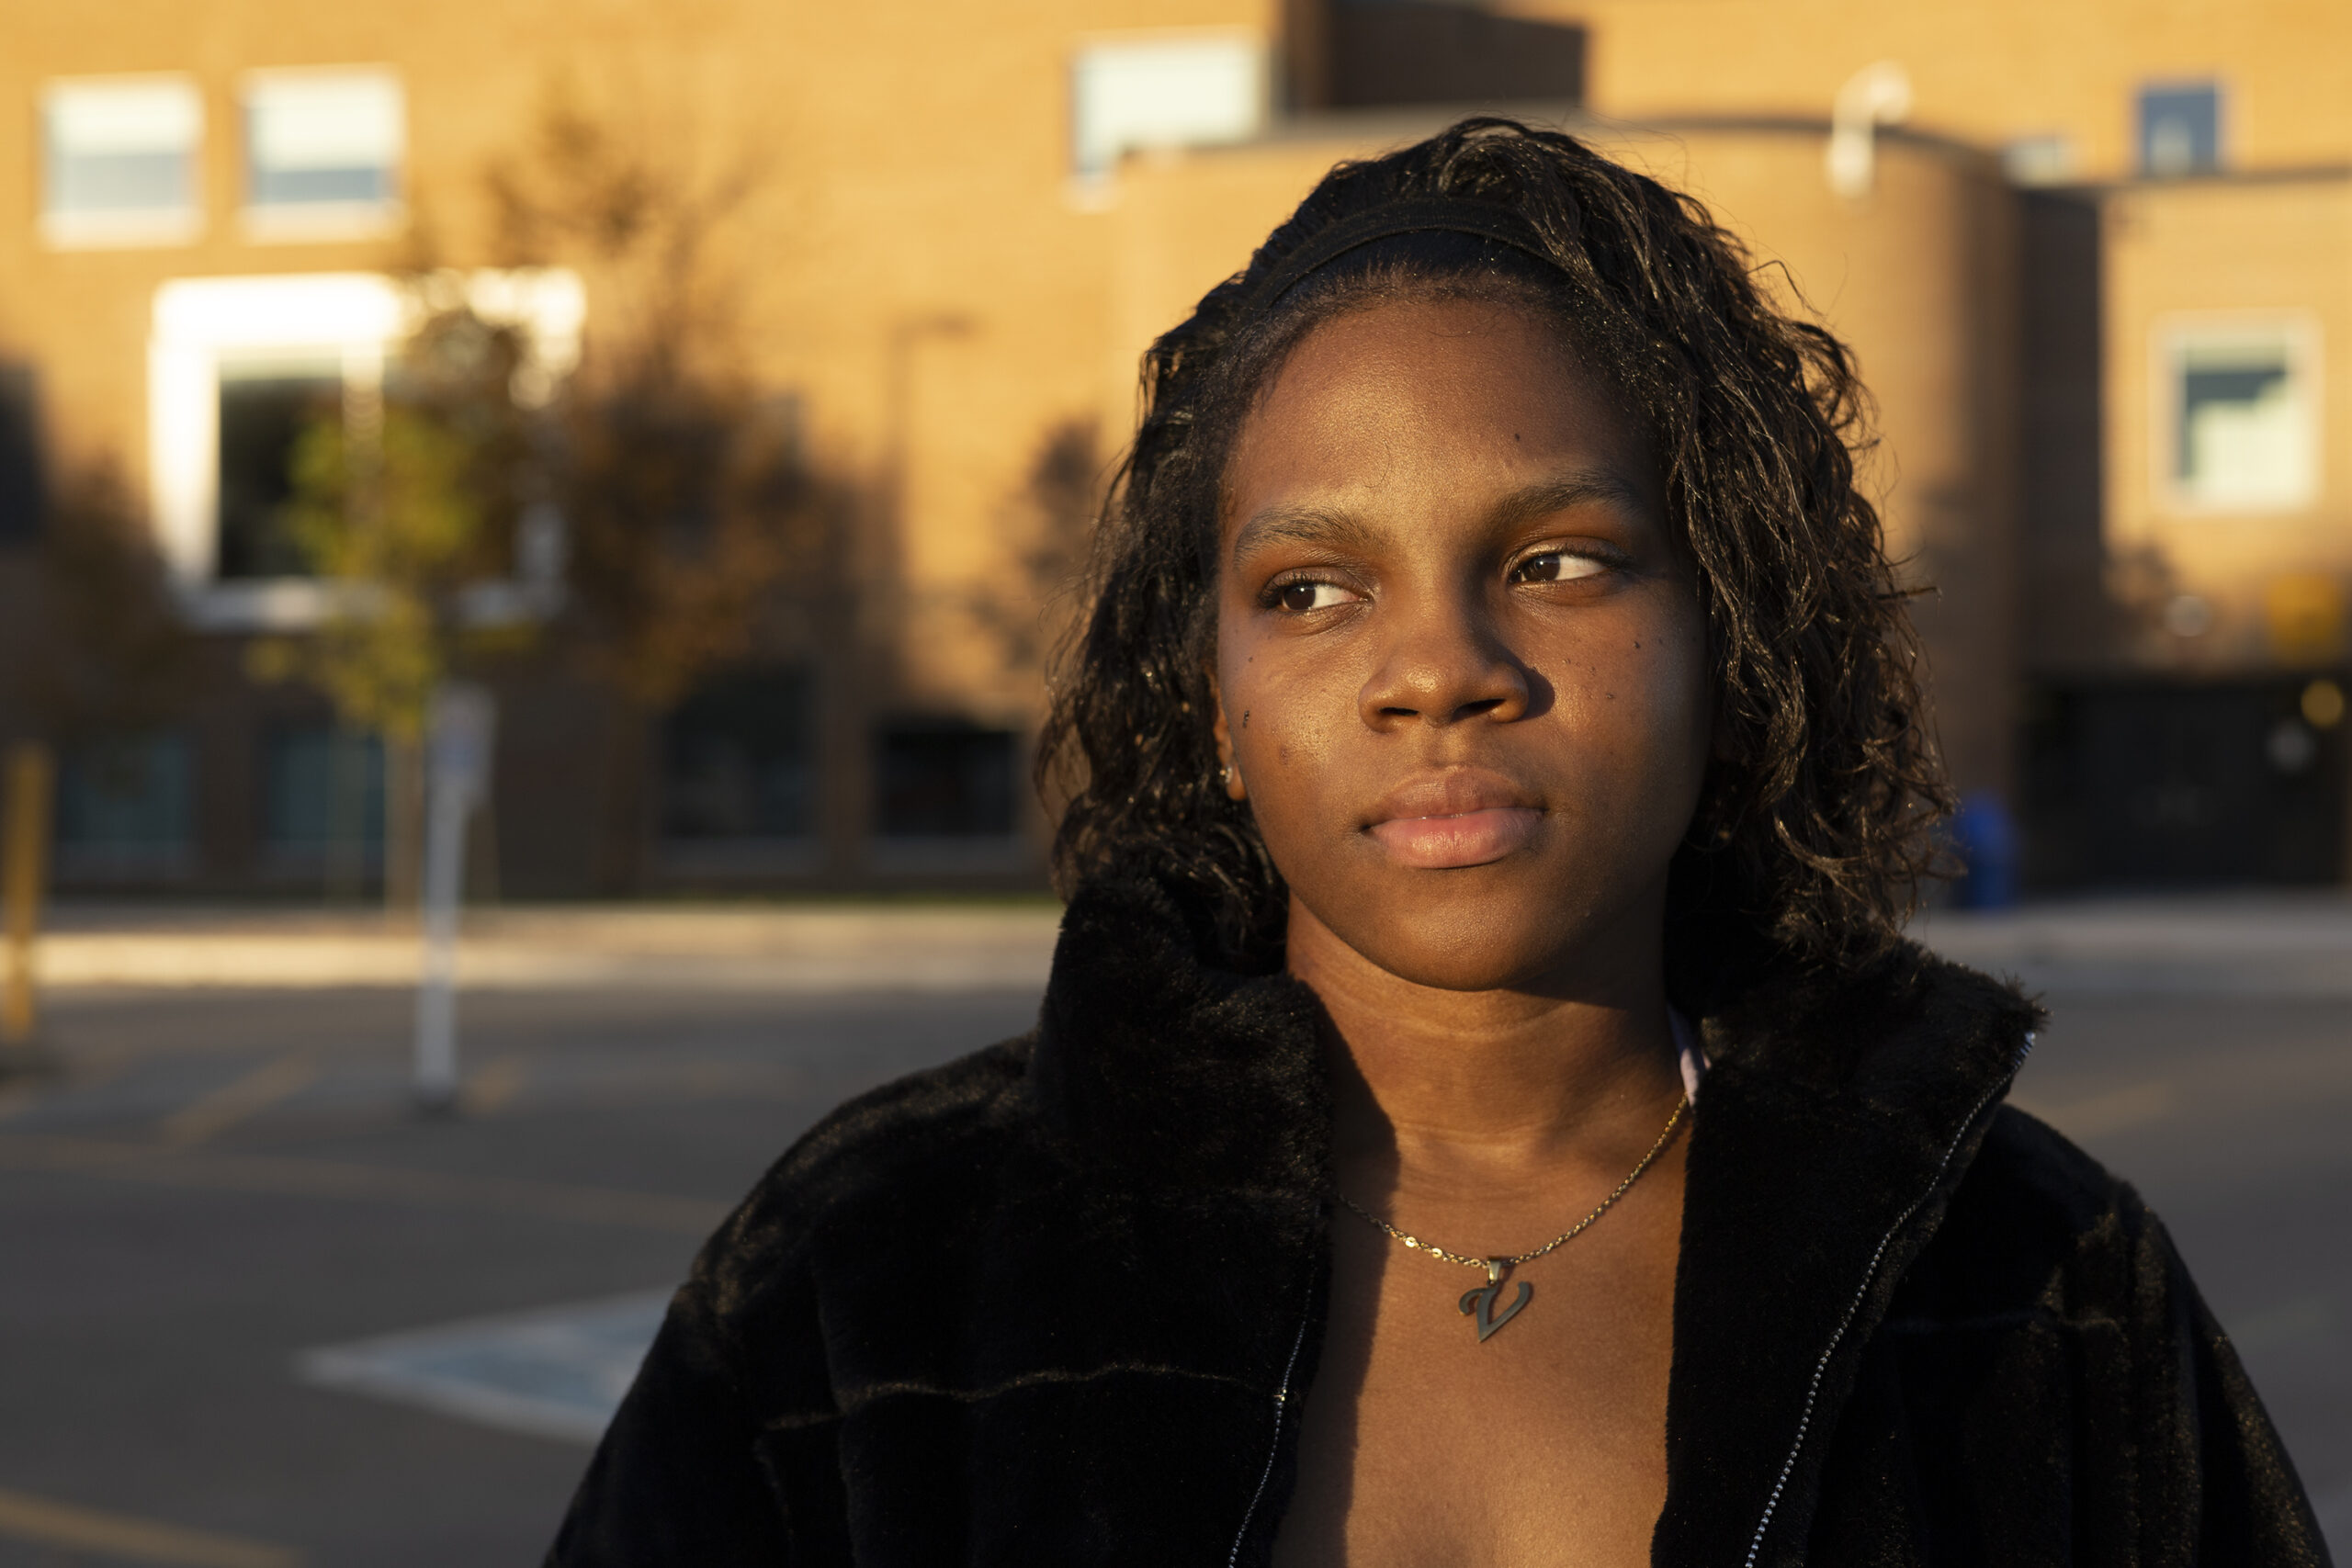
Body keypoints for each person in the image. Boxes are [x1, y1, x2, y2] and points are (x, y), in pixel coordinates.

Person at [547, 119, 2328, 1566]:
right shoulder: (871, 1277)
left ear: (1727, 633)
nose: (1436, 670)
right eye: (1309, 587)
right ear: (1217, 702)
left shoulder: (2029, 1283)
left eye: (1555, 559)